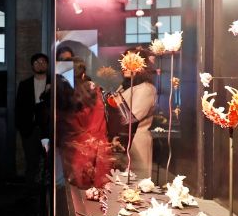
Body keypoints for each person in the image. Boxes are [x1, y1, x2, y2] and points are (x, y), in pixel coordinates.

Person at [57, 58, 112, 188]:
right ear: (82, 74)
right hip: (91, 146)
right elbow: (98, 123)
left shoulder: (59, 93)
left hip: (68, 147)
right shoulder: (92, 92)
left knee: (69, 192)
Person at [115, 47, 158, 179]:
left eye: (131, 61)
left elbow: (131, 118)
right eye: (124, 61)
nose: (125, 65)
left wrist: (114, 102)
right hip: (123, 141)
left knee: (137, 183)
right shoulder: (125, 86)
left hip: (136, 142)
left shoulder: (146, 88)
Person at [15, 53, 51, 204]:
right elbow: (18, 108)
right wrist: (22, 128)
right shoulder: (24, 84)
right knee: (31, 162)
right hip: (30, 130)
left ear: (47, 65)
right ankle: (29, 193)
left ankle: (47, 195)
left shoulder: (54, 83)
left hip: (47, 131)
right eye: (37, 62)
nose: (40, 64)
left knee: (48, 161)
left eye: (43, 62)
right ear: (32, 66)